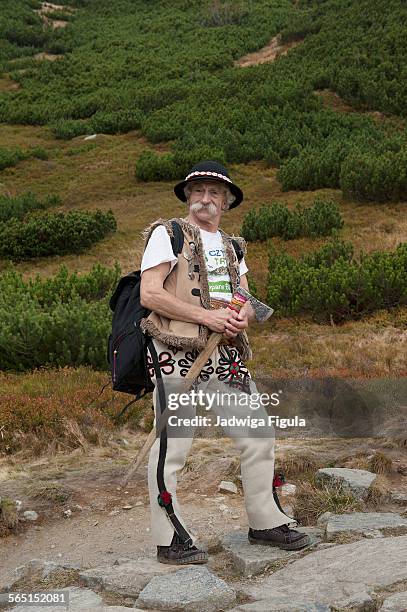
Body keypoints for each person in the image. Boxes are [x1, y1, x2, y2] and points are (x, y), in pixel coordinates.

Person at [140, 160, 310, 565]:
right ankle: (170, 538)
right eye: (197, 190)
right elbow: (150, 294)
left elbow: (245, 297)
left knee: (258, 434)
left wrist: (240, 316)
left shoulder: (234, 247)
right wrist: (207, 317)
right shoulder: (169, 234)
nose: (205, 199)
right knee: (173, 444)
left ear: (227, 201)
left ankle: (265, 521)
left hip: (226, 353)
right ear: (187, 196)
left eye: (214, 193)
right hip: (174, 350)